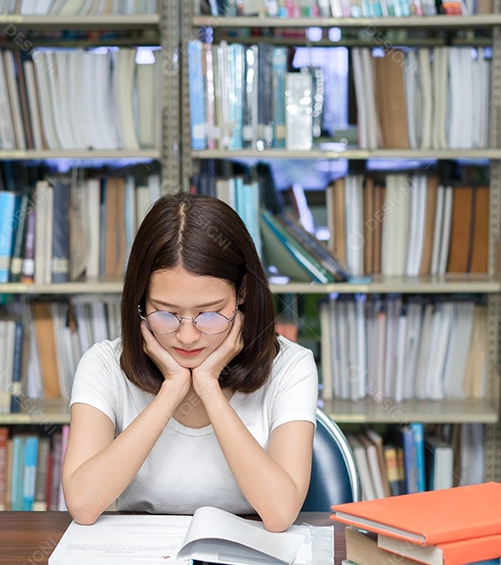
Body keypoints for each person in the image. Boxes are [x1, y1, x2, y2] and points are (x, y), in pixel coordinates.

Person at [63, 192, 318, 532]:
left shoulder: (291, 367)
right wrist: (172, 390)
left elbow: (280, 513)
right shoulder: (103, 365)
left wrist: (209, 387)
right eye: (166, 314)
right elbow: (83, 504)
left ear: (242, 294)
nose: (186, 337)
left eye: (209, 313)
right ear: (139, 300)